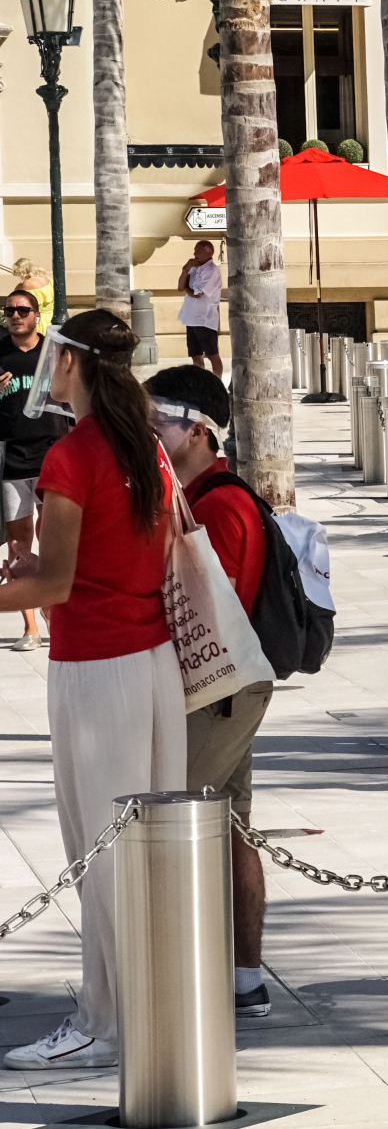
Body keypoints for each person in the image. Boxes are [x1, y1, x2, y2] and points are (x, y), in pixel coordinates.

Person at [0, 310, 183, 1071]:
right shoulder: (147, 446)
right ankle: (150, 1007)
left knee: (98, 850)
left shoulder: (73, 456)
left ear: (70, 363)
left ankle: (104, 1020)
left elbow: (58, 579)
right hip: (153, 663)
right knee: (149, 850)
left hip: (94, 667)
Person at [145, 365, 272, 1019]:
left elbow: (209, 610)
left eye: (158, 422)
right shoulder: (201, 499)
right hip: (229, 688)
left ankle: (191, 976)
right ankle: (243, 978)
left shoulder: (220, 506)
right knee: (233, 828)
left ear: (197, 430)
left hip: (219, 692)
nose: (150, 434)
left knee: (177, 823)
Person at [0, 289, 70, 651]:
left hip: (52, 458)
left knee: (55, 537)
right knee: (18, 543)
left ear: (35, 314)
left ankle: (56, 615)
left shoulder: (54, 353)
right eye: (9, 310)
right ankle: (31, 627)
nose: (15, 315)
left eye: (22, 309)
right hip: (11, 460)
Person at [178, 240, 225, 377]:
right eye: (194, 250)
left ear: (209, 253)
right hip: (190, 318)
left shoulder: (211, 270)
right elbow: (181, 287)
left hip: (204, 319)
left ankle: (217, 384)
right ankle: (201, 385)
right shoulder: (193, 267)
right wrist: (185, 269)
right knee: (195, 355)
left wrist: (187, 288)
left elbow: (198, 293)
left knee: (212, 355)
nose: (194, 254)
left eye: (198, 251)